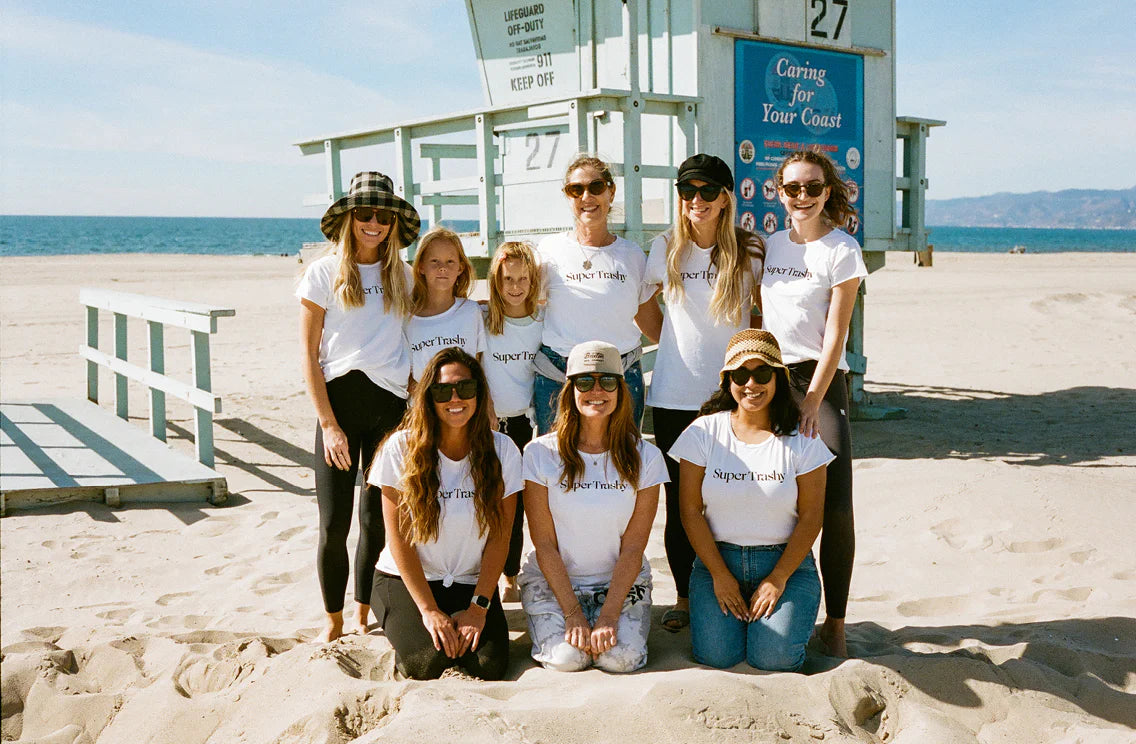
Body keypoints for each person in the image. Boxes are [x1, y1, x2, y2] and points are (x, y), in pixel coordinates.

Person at [638, 153, 765, 633]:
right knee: (682, 504)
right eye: (687, 191)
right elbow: (643, 306)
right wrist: (672, 344)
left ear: (726, 197)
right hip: (673, 395)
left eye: (707, 192)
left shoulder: (750, 250)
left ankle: (738, 589)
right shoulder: (666, 246)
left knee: (735, 495)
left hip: (734, 396)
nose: (696, 201)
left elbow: (762, 315)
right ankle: (687, 597)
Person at [298, 171, 419, 643]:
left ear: (393, 223)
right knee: (333, 522)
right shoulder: (323, 272)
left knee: (376, 519)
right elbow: (309, 356)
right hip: (340, 409)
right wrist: (328, 425)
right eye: (365, 214)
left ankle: (364, 611)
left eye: (383, 216)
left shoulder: (404, 277)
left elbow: (416, 339)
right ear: (350, 218)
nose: (374, 223)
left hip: (390, 409)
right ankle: (332, 621)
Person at [671, 329, 832, 671]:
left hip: (785, 564)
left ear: (778, 378)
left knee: (772, 659)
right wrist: (719, 574)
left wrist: (777, 579)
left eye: (762, 373)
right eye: (741, 374)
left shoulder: (802, 439)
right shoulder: (703, 432)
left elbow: (811, 518)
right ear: (728, 380)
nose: (751, 384)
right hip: (718, 561)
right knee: (717, 656)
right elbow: (689, 511)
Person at [760, 149, 867, 657]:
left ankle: (837, 624)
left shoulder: (842, 250)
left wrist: (813, 400)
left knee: (835, 503)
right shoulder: (771, 246)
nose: (802, 197)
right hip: (767, 379)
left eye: (813, 188)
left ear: (828, 192)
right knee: (775, 499)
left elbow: (836, 336)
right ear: (778, 192)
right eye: (792, 188)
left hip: (819, 382)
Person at [367, 347, 522, 680]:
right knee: (424, 663)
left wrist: (479, 607)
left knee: (488, 666)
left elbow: (501, 536)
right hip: (405, 581)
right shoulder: (400, 449)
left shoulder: (503, 450)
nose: (455, 398)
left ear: (479, 394)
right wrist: (428, 611)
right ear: (428, 397)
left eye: (465, 388)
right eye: (442, 390)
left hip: (470, 582)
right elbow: (399, 540)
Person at [519, 341, 668, 672]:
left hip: (619, 584)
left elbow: (633, 547)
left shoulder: (647, 457)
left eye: (608, 381)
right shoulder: (539, 454)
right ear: (570, 390)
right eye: (585, 382)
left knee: (619, 660)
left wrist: (610, 614)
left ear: (621, 389)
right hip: (554, 582)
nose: (596, 390)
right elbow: (543, 543)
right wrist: (573, 613)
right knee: (569, 660)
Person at [532, 154, 657, 433]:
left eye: (596, 187)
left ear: (611, 192)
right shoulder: (548, 250)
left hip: (620, 377)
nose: (586, 196)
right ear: (568, 197)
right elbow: (521, 305)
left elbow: (652, 324)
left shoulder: (633, 255)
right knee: (554, 468)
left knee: (622, 466)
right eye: (576, 189)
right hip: (558, 377)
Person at [481, 241, 544, 602]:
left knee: (514, 505)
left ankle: (510, 574)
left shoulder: (540, 322)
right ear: (496, 280)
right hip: (485, 423)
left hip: (522, 424)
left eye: (522, 278)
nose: (515, 286)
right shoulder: (483, 319)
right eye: (508, 279)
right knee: (484, 502)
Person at [405, 227, 485, 384]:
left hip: (463, 404)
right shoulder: (406, 318)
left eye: (450, 261)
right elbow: (407, 377)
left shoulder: (471, 312)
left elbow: (479, 367)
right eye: (434, 261)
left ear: (460, 268)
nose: (442, 268)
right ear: (421, 267)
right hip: (422, 406)